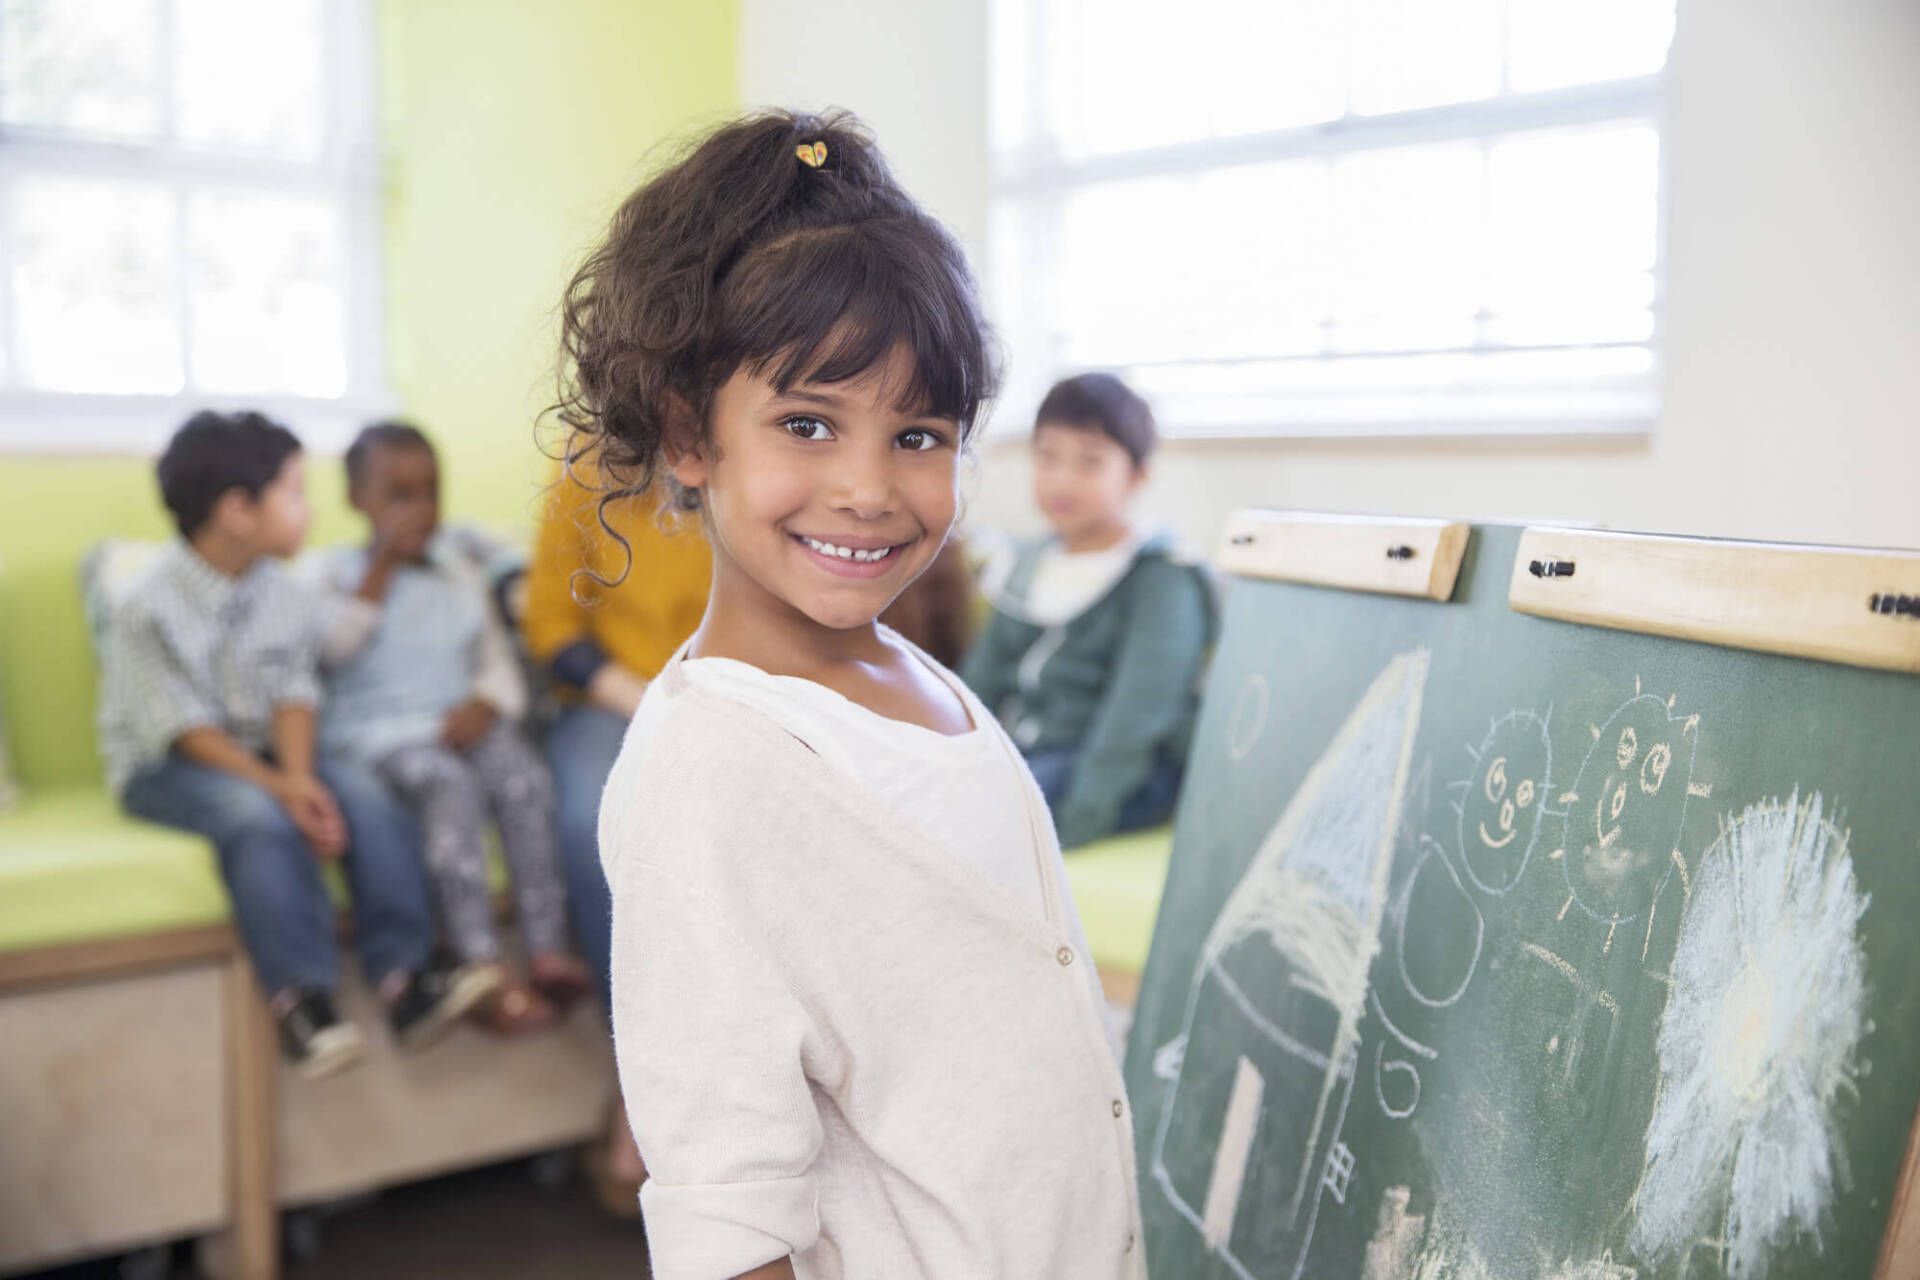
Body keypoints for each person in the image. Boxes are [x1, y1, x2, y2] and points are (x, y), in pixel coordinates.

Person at [555, 110, 1144, 1279]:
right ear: (690, 438)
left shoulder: (914, 676)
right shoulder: (705, 775)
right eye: (808, 423)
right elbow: (728, 1221)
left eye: (919, 433)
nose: (869, 487)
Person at [100, 411, 477, 1079]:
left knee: (363, 792)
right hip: (174, 763)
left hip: (268, 750)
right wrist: (281, 791)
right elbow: (186, 730)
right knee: (256, 819)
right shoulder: (146, 607)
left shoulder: (283, 591)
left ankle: (404, 979)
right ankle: (302, 1001)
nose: (309, 511)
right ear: (238, 510)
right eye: (295, 493)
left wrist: (303, 780)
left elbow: (294, 695)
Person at [314, 422, 592, 1036]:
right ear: (358, 500)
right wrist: (380, 569)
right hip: (382, 736)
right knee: (450, 789)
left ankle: (548, 948)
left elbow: (494, 662)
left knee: (524, 778)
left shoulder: (455, 571)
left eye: (430, 493)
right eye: (399, 496)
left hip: (459, 721)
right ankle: (481, 965)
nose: (420, 510)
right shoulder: (333, 576)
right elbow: (332, 650)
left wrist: (487, 704)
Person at [961, 373, 1214, 849]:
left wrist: (1079, 817)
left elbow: (1138, 715)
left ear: (1137, 476)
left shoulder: (1161, 576)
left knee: (999, 811)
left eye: (1090, 463)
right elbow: (981, 680)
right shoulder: (1025, 564)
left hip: (1119, 767)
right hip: (1032, 750)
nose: (1062, 479)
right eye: (1049, 457)